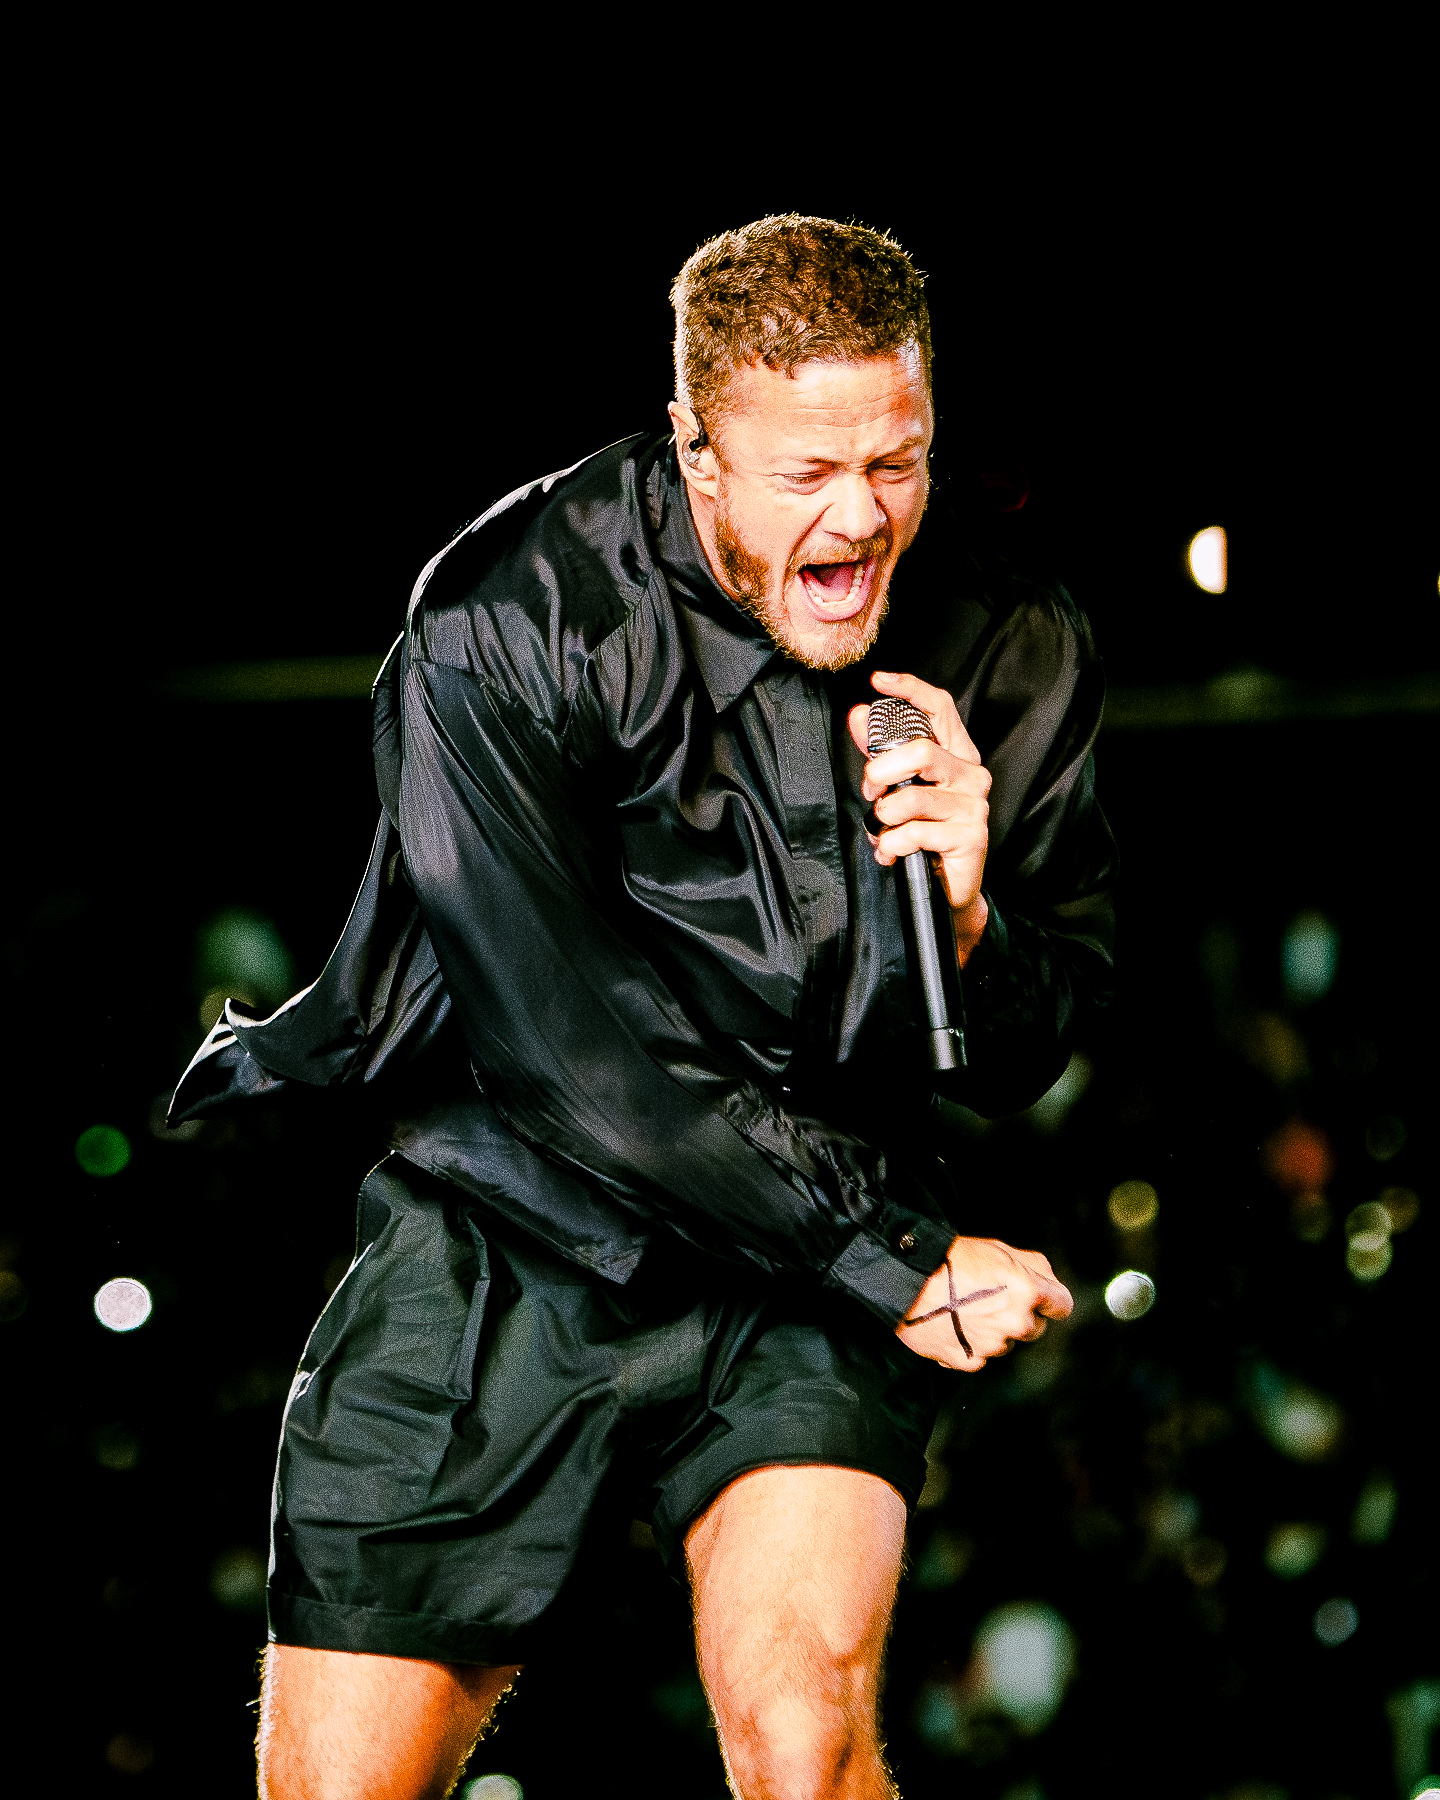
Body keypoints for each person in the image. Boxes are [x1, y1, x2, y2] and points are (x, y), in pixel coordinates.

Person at [172, 214, 1115, 1800]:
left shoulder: (1015, 639)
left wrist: (968, 916)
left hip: (810, 1247)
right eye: (806, 473)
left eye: (896, 462)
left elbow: (1033, 1042)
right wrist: (893, 1259)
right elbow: (571, 1047)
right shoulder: (506, 614)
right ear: (696, 448)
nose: (860, 515)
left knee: (805, 1746)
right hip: (514, 1224)